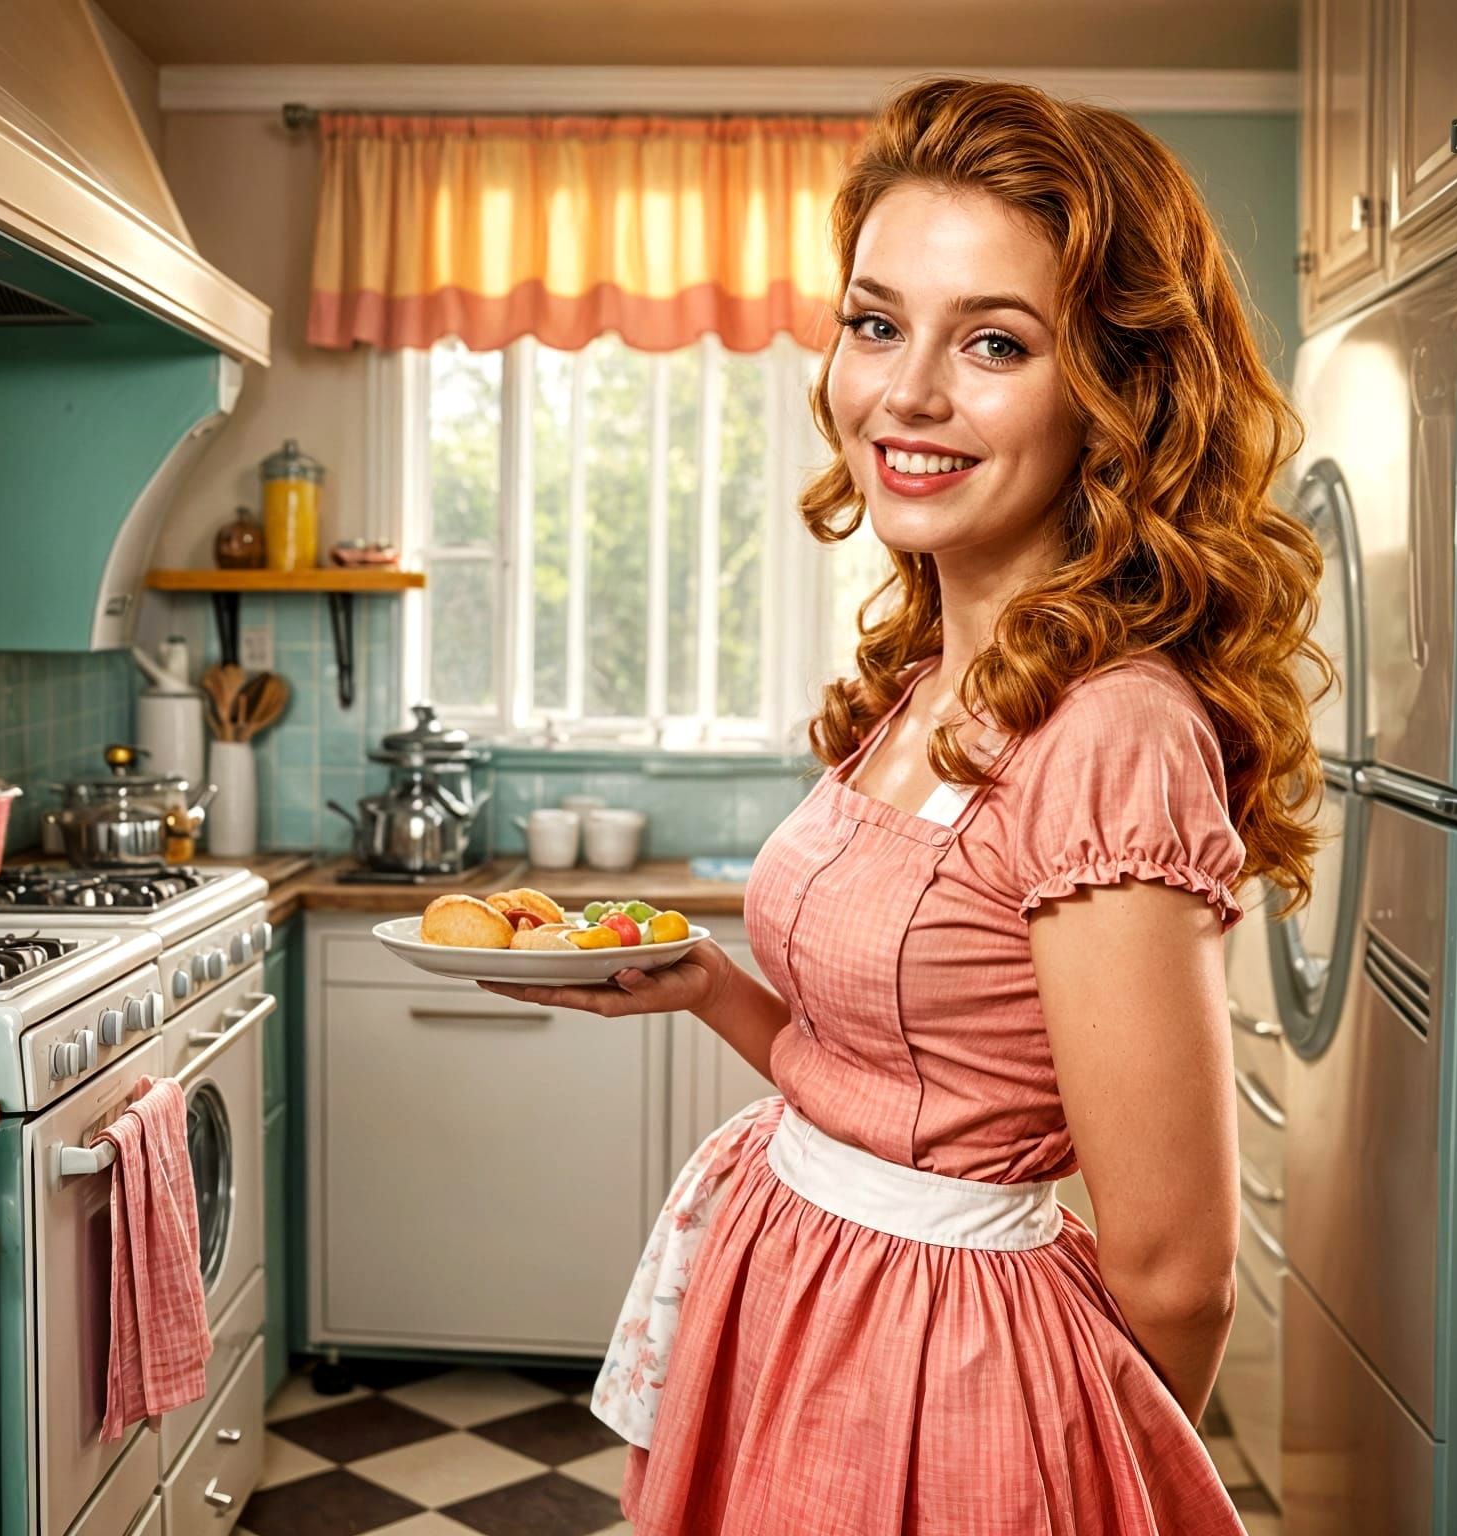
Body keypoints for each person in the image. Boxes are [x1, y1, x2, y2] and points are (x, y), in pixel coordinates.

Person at [479, 75, 1328, 1536]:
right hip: (806, 1324)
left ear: (1119, 390)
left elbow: (1179, 1271)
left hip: (946, 1391)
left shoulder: (1112, 731)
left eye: (994, 342)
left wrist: (1047, 1472)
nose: (906, 393)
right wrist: (709, 990)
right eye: (876, 324)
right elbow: (912, 1087)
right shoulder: (928, 669)